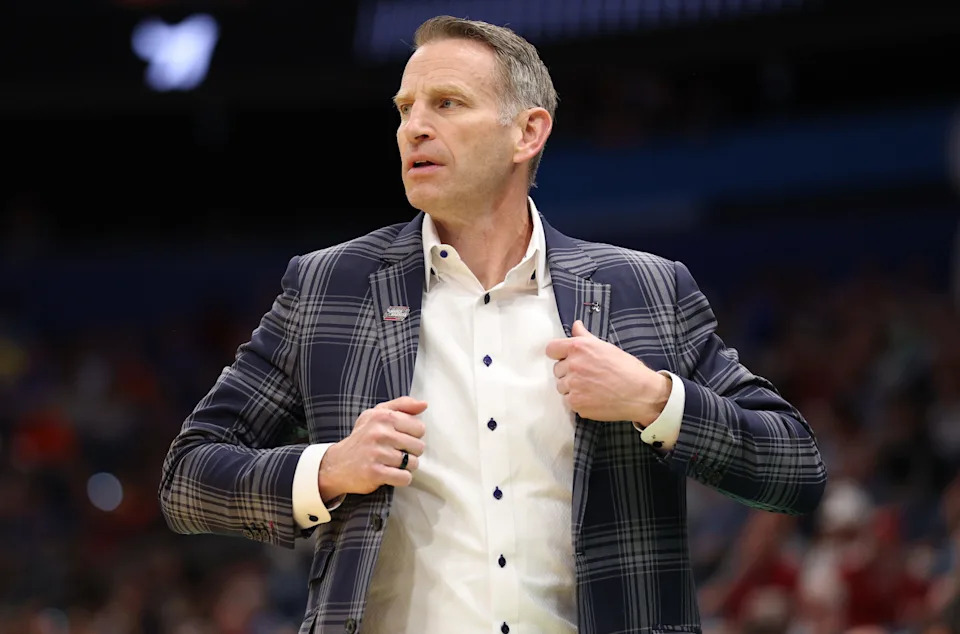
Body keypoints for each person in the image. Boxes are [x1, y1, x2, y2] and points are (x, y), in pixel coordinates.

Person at [158, 15, 827, 634]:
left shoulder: (644, 290)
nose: (414, 128)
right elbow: (188, 477)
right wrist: (329, 468)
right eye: (405, 108)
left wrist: (655, 401)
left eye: (447, 103)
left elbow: (795, 467)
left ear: (527, 133)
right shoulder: (330, 286)